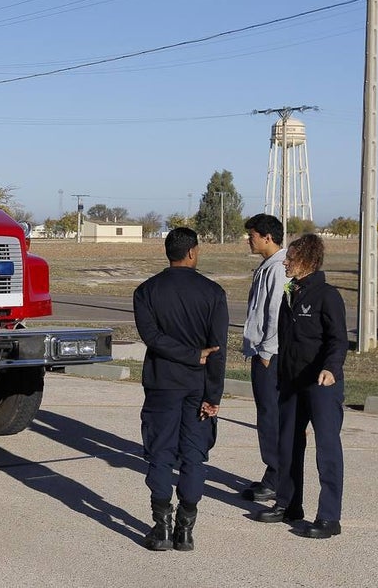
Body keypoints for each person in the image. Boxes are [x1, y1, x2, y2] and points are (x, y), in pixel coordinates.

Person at [132, 227, 227, 552]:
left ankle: (161, 528)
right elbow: (218, 350)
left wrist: (187, 355)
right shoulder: (213, 292)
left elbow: (152, 338)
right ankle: (185, 529)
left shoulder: (146, 291)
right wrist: (213, 396)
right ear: (192, 252)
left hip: (161, 383)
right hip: (198, 387)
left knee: (160, 454)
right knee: (194, 457)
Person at [251, 233, 348, 538]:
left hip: (320, 383)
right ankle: (288, 503)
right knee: (288, 445)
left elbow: (338, 340)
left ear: (307, 261)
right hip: (291, 382)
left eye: (291, 259)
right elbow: (285, 339)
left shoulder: (327, 296)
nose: (286, 263)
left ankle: (329, 517)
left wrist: (331, 369)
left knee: (327, 448)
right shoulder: (290, 293)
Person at [241, 213, 287, 503]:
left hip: (271, 356)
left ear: (267, 237)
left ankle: (277, 477)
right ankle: (275, 473)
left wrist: (268, 351)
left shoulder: (279, 268)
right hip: (262, 352)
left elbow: (276, 312)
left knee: (271, 417)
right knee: (268, 415)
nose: (249, 239)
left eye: (253, 235)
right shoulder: (268, 266)